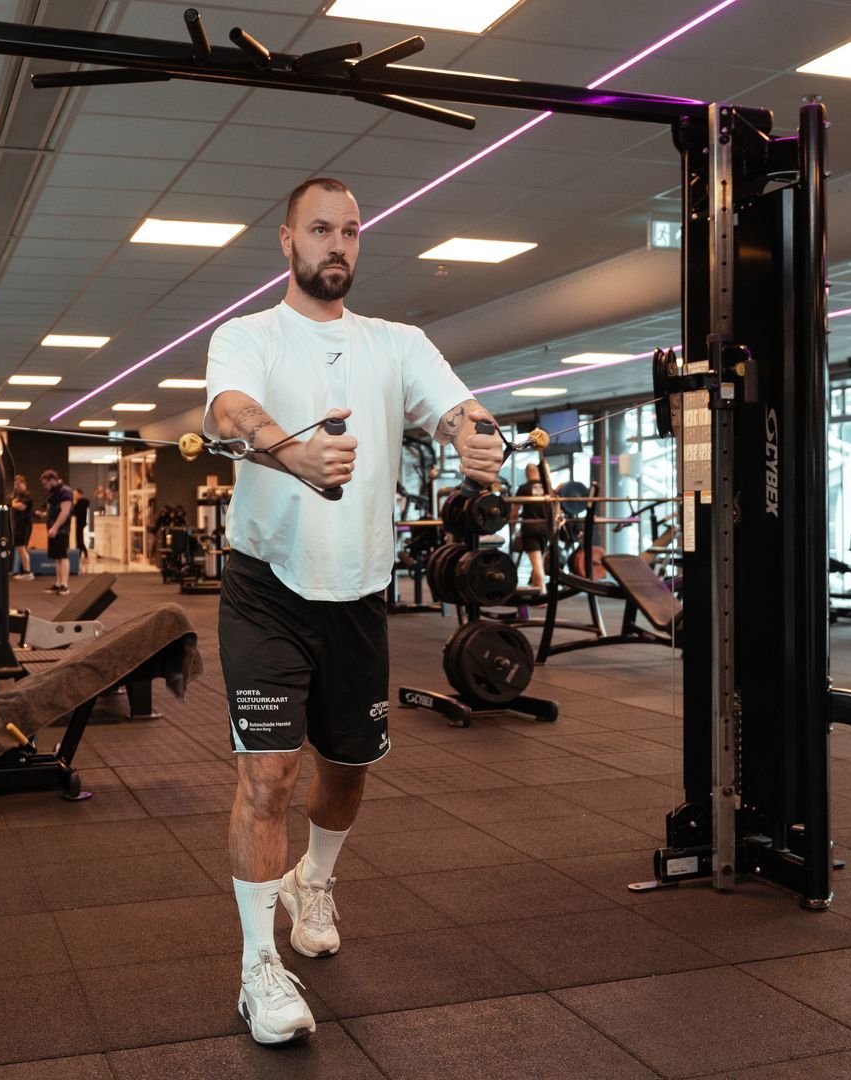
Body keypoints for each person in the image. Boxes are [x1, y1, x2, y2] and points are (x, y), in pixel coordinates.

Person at [203, 176, 503, 1045]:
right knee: (268, 778)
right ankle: (261, 966)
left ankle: (313, 880)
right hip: (265, 588)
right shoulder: (247, 334)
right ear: (287, 241)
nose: (339, 245)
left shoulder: (395, 342)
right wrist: (290, 452)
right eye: (321, 230)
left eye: (353, 232)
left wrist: (476, 434)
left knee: (347, 769)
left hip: (359, 594)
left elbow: (456, 405)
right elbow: (229, 409)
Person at [511, 460, 555, 590]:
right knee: (539, 561)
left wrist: (512, 526)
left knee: (537, 563)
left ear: (526, 474)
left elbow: (514, 510)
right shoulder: (548, 488)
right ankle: (537, 589)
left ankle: (542, 593)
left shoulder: (523, 488)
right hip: (546, 528)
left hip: (530, 527)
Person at [40, 469, 74, 594]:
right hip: (53, 527)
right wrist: (45, 515)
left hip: (61, 529)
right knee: (57, 557)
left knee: (62, 556)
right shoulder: (53, 492)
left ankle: (65, 585)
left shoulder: (65, 491)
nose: (45, 486)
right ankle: (58, 583)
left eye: (46, 483)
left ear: (52, 480)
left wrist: (55, 527)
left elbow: (65, 512)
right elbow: (54, 509)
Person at [9, 475, 35, 580]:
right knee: (20, 548)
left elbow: (21, 507)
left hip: (24, 525)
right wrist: (13, 503)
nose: (15, 487)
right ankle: (24, 570)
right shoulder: (19, 496)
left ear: (22, 483)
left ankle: (27, 572)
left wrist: (12, 503)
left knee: (21, 547)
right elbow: (14, 503)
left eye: (17, 484)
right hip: (19, 525)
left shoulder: (26, 495)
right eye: (15, 484)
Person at [71, 487, 91, 572]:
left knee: (80, 540)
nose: (74, 495)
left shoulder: (82, 502)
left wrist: (75, 504)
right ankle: (79, 555)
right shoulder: (78, 502)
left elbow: (78, 511)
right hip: (78, 523)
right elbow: (73, 513)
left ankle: (84, 555)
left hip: (81, 523)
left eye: (75, 494)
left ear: (79, 494)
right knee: (78, 540)